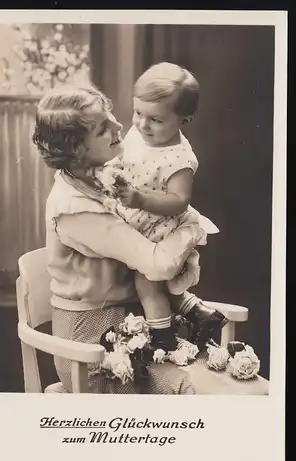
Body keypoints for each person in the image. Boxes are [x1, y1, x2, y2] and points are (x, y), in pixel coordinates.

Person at [32, 81, 227, 394]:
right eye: (101, 128)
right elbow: (159, 266)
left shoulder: (101, 173)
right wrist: (193, 227)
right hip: (90, 348)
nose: (119, 125)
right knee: (197, 392)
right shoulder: (75, 209)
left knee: (216, 387)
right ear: (77, 150)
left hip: (137, 321)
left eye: (110, 115)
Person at [93, 62, 227, 353]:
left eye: (155, 119)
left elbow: (179, 200)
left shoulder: (179, 158)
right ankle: (197, 311)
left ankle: (161, 341)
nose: (142, 124)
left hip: (159, 225)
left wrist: (140, 199)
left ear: (184, 118)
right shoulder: (139, 134)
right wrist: (111, 171)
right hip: (134, 218)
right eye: (138, 113)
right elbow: (123, 159)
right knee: (127, 275)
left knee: (147, 282)